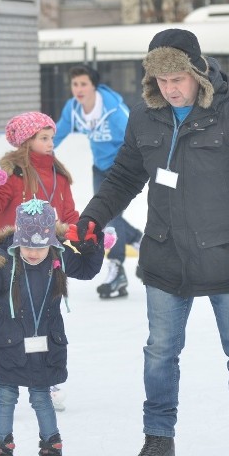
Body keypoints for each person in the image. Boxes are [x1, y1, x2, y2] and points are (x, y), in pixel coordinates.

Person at [69, 29, 229, 456]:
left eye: (178, 77)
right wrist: (92, 218)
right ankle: (158, 441)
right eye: (162, 78)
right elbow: (124, 176)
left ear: (197, 71)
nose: (170, 88)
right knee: (160, 353)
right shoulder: (147, 118)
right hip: (166, 255)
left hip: (228, 255)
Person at [0, 198, 104, 456]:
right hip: (8, 344)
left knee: (41, 397)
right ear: (17, 242)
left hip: (46, 342)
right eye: (28, 246)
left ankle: (51, 453)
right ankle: (1, 454)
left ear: (51, 242)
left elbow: (87, 269)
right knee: (5, 396)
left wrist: (91, 246)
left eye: (40, 246)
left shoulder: (58, 258)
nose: (34, 253)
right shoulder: (2, 263)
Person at [0, 111, 79, 411]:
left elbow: (69, 214)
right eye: (43, 139)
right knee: (16, 320)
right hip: (15, 257)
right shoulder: (11, 174)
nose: (50, 144)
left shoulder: (58, 174)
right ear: (26, 142)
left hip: (48, 257)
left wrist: (86, 232)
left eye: (51, 138)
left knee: (46, 317)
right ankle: (10, 375)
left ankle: (45, 377)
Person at [54, 64, 143, 299]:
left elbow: (135, 134)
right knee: (107, 216)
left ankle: (116, 268)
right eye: (75, 84)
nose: (79, 89)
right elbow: (55, 136)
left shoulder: (112, 110)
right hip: (100, 168)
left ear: (94, 85)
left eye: (83, 84)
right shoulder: (73, 109)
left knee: (111, 217)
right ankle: (139, 241)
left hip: (122, 171)